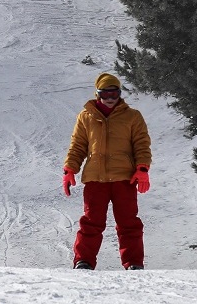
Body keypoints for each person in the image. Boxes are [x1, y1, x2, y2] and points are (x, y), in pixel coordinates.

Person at [62, 72, 152, 270]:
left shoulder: (132, 116)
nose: (110, 99)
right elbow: (78, 145)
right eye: (105, 94)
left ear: (120, 94)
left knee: (129, 223)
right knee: (91, 222)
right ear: (97, 94)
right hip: (95, 179)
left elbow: (142, 144)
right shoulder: (86, 117)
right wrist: (70, 169)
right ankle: (83, 261)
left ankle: (134, 263)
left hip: (124, 179)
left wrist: (142, 168)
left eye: (114, 94)